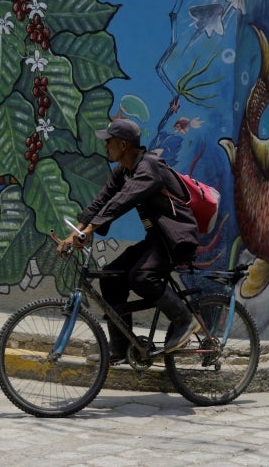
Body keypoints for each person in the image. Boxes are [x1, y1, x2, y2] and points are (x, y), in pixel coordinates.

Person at [56, 118, 201, 362]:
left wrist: (89, 230)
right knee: (111, 278)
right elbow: (101, 201)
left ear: (123, 145)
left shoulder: (149, 167)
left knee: (142, 277)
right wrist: (74, 233)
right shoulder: (123, 170)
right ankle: (120, 349)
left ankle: (185, 319)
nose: (105, 147)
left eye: (109, 142)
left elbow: (123, 201)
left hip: (176, 238)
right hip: (157, 238)